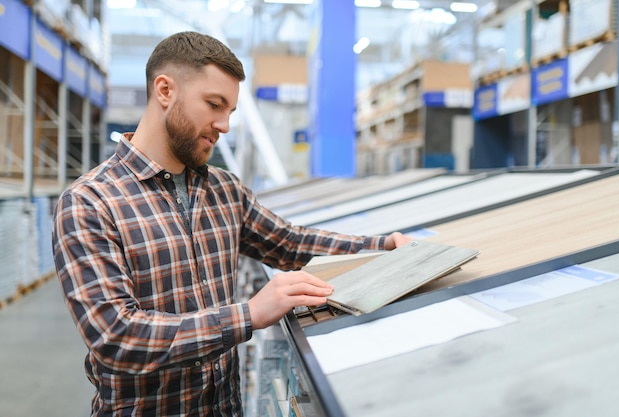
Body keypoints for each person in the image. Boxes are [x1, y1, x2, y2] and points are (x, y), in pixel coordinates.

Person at [52, 31, 412, 417]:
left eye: (231, 112)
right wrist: (249, 314)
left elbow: (290, 244)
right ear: (164, 90)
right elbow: (115, 336)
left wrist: (381, 247)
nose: (224, 125)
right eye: (213, 105)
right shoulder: (89, 202)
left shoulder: (224, 190)